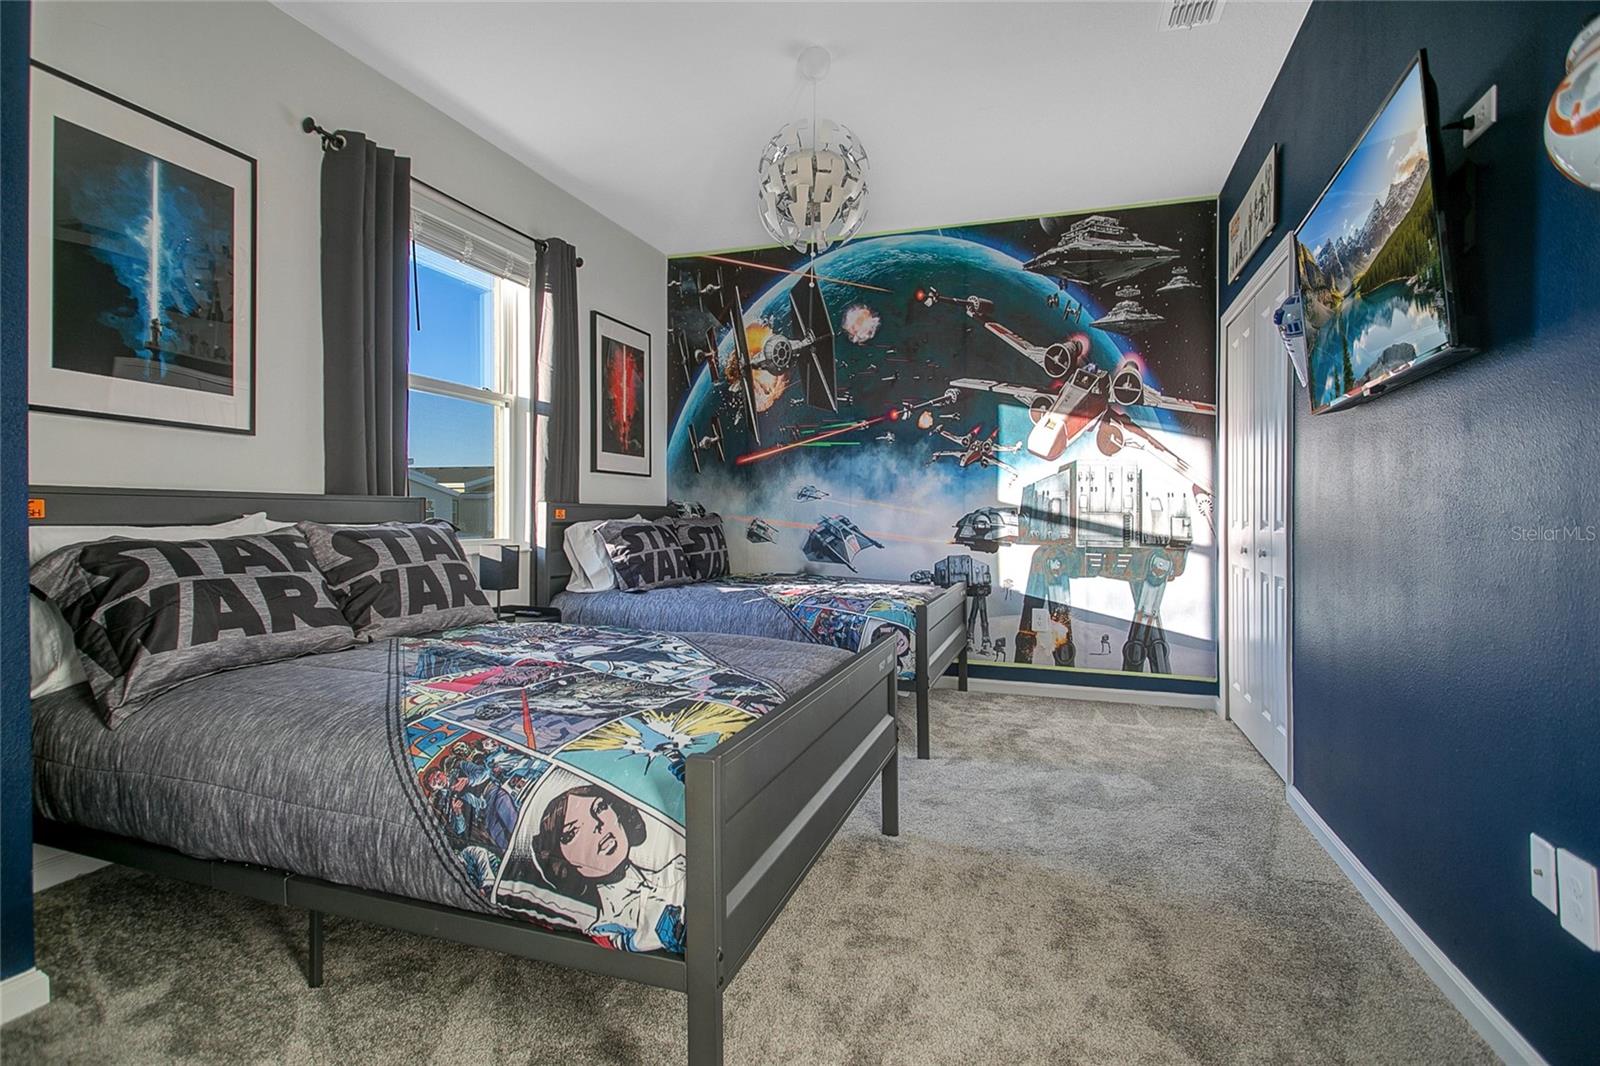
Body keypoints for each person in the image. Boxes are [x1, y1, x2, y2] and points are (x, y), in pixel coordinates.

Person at [529, 783, 685, 953]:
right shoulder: (612, 926)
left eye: (600, 807)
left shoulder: (677, 868)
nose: (598, 825)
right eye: (571, 833)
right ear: (560, 858)